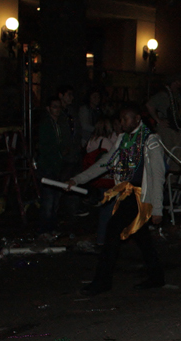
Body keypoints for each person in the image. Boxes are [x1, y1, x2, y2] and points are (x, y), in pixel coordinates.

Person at [67, 105, 167, 295]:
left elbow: (158, 176)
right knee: (141, 237)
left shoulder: (151, 141)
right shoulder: (123, 140)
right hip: (127, 195)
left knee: (112, 232)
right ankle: (156, 276)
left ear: (137, 118)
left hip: (140, 197)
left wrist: (157, 208)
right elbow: (104, 163)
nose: (121, 123)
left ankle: (103, 281)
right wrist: (78, 179)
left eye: (125, 119)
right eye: (121, 119)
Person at [37, 95, 82, 235]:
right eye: (54, 107)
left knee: (55, 199)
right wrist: (59, 152)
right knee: (49, 199)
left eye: (58, 107)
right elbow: (46, 147)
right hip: (49, 166)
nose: (57, 110)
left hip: (57, 165)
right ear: (48, 108)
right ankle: (45, 228)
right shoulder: (46, 125)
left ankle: (51, 226)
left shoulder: (58, 124)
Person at [83, 117, 119, 246]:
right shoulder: (105, 141)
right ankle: (103, 239)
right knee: (108, 210)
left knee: (104, 208)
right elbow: (114, 155)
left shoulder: (92, 141)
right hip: (106, 178)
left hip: (96, 178)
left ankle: (102, 238)